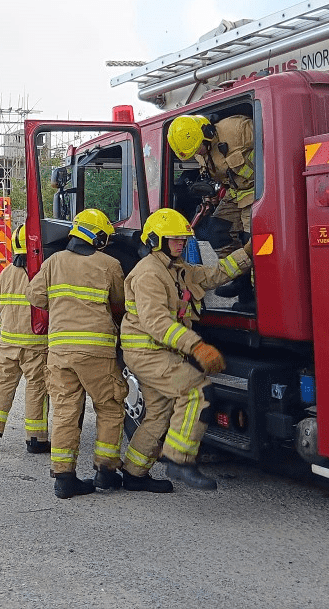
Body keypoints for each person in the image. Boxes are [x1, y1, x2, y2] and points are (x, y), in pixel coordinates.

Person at [120, 208, 252, 491]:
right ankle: (180, 462)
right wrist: (197, 346)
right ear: (156, 240)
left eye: (183, 239)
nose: (181, 244)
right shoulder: (148, 274)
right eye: (175, 239)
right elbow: (157, 323)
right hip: (148, 353)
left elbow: (215, 274)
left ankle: (133, 473)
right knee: (197, 391)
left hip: (159, 352)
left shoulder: (176, 268)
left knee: (158, 413)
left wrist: (248, 254)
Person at [26, 209, 127, 499]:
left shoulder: (53, 261)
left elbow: (35, 295)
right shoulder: (110, 264)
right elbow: (120, 302)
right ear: (97, 236)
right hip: (96, 351)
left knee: (65, 411)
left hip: (59, 352)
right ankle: (105, 472)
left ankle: (64, 479)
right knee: (109, 407)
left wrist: (60, 305)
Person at [0, 226, 50, 454]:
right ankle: (36, 439)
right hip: (36, 346)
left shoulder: (6, 272)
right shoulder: (42, 273)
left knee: (2, 385)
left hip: (7, 344)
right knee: (37, 389)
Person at [167, 113, 255, 311]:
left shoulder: (238, 129)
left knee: (255, 241)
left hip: (259, 190)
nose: (199, 153)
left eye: (198, 148)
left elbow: (278, 142)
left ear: (207, 133)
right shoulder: (198, 151)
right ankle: (242, 284)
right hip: (236, 193)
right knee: (216, 231)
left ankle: (259, 295)